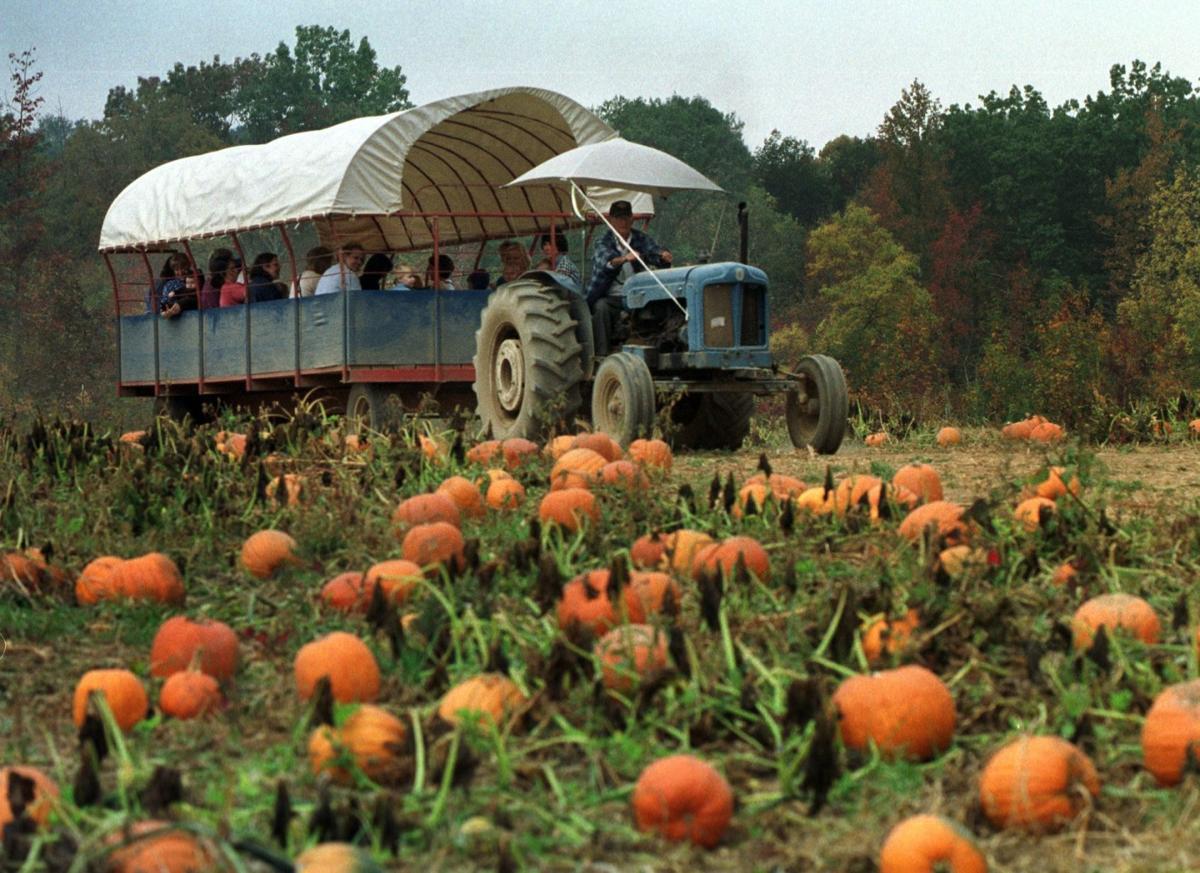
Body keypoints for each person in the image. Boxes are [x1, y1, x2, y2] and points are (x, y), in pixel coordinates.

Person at [585, 199, 673, 356]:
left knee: (661, 308)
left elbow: (654, 251)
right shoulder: (603, 242)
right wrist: (625, 258)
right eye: (618, 218)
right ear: (611, 220)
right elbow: (607, 262)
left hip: (638, 295)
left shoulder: (640, 238)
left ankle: (658, 347)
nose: (623, 222)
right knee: (600, 308)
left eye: (626, 217)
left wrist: (663, 256)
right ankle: (601, 355)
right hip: (613, 296)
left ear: (632, 219)